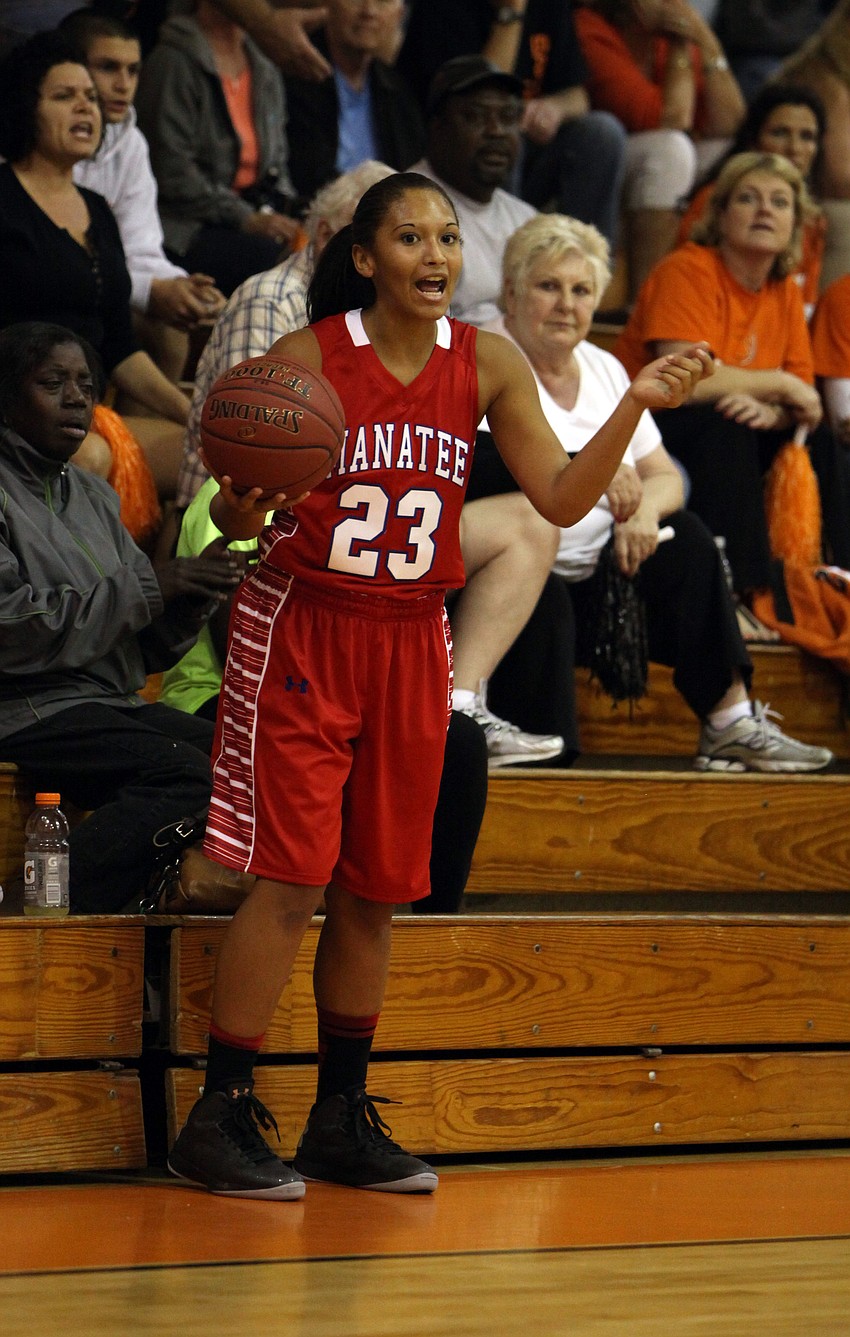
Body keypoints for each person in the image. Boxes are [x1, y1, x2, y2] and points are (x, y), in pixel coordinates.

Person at [165, 169, 711, 1200]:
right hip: (306, 628)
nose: (434, 255)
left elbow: (553, 496)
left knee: (376, 888)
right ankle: (219, 1111)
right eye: (409, 238)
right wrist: (241, 506)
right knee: (292, 877)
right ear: (364, 258)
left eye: (448, 238)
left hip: (413, 636)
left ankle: (338, 1113)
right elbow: (238, 525)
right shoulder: (305, 361)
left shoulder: (487, 361)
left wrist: (629, 403)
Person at [473, 212, 833, 772]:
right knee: (543, 604)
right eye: (549, 287)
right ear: (511, 293)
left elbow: (664, 475)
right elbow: (479, 468)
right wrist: (582, 468)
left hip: (603, 567)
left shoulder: (605, 366)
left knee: (685, 539)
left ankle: (730, 721)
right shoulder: (480, 354)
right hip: (515, 569)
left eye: (582, 290)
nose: (567, 305)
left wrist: (642, 509)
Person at [0, 321, 247, 914]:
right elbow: (11, 632)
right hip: (27, 708)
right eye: (52, 382)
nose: (76, 398)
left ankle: (137, 921)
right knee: (188, 775)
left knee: (247, 767)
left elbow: (138, 649)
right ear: (7, 400)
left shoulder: (94, 496)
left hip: (105, 704)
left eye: (86, 383)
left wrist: (186, 598)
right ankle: (16, 909)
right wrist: (149, 584)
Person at [614, 152, 829, 599]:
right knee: (725, 425)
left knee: (823, 444)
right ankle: (742, 592)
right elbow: (681, 380)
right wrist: (779, 386)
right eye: (749, 198)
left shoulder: (784, 292)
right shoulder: (686, 269)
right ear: (721, 215)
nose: (765, 210)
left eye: (780, 202)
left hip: (730, 424)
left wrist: (773, 414)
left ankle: (819, 581)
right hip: (646, 427)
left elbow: (806, 402)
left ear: (796, 223)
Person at [0, 30, 192, 524]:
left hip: (85, 412)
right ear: (25, 108)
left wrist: (195, 413)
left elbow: (120, 348)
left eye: (90, 98)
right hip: (16, 410)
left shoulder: (99, 211)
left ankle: (168, 591)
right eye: (64, 97)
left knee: (212, 454)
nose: (85, 108)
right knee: (90, 459)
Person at [175, 159, 395, 510]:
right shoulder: (270, 299)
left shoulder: (380, 314)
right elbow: (247, 444)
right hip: (228, 523)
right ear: (325, 233)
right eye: (368, 237)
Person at [61, 8, 226, 384]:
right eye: (108, 67)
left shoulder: (130, 142)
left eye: (133, 70)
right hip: (50, 300)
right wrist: (154, 291)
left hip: (109, 291)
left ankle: (139, 437)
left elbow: (142, 250)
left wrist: (183, 288)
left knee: (173, 326)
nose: (124, 84)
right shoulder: (24, 146)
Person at [397, 0, 627, 252]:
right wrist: (511, 12)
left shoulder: (549, 6)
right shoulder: (443, 9)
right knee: (500, 132)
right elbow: (487, 93)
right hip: (453, 162)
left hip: (533, 153)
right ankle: (508, 258)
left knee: (602, 132)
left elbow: (578, 96)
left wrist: (554, 108)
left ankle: (586, 262)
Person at [574, 0, 746, 300]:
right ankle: (648, 299)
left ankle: (716, 293)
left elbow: (731, 123)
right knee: (670, 150)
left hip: (652, 161)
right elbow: (671, 118)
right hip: (601, 161)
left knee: (730, 154)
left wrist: (705, 38)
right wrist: (682, 42)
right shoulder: (590, 29)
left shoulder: (663, 38)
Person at [135, 1, 301, 298]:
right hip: (186, 226)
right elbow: (173, 174)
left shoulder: (262, 62)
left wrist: (289, 214)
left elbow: (279, 160)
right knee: (275, 262)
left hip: (251, 212)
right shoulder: (172, 60)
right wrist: (246, 218)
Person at [677, 83, 828, 315]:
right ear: (753, 140)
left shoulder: (814, 219)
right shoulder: (716, 198)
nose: (794, 148)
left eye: (807, 136)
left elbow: (805, 307)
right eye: (780, 133)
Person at [411, 56, 538, 327]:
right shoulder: (404, 207)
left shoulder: (527, 220)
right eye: (475, 116)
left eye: (508, 118)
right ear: (437, 126)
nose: (496, 131)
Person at [283, 0, 425, 203]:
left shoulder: (398, 92)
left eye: (383, 1)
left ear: (400, 14)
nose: (369, 11)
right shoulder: (294, 76)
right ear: (327, 5)